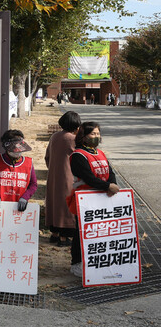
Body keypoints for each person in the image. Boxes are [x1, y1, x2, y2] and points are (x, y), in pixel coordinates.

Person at [67, 121, 119, 278]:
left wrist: (112, 184)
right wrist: (107, 186)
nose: (96, 136)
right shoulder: (78, 155)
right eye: (92, 134)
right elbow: (88, 178)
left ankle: (95, 260)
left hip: (103, 198)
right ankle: (77, 263)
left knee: (100, 231)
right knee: (81, 232)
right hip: (85, 199)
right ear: (83, 136)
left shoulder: (100, 153)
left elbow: (110, 172)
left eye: (98, 133)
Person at [44, 111, 80, 247]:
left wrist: (53, 168)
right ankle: (64, 237)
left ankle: (54, 234)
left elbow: (47, 157)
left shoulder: (54, 136)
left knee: (54, 204)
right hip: (68, 176)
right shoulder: (73, 139)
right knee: (67, 205)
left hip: (54, 175)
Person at [0, 129, 37, 212]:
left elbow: (34, 184)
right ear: (7, 148)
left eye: (20, 149)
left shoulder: (28, 162)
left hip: (19, 207)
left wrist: (25, 197)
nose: (18, 152)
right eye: (14, 149)